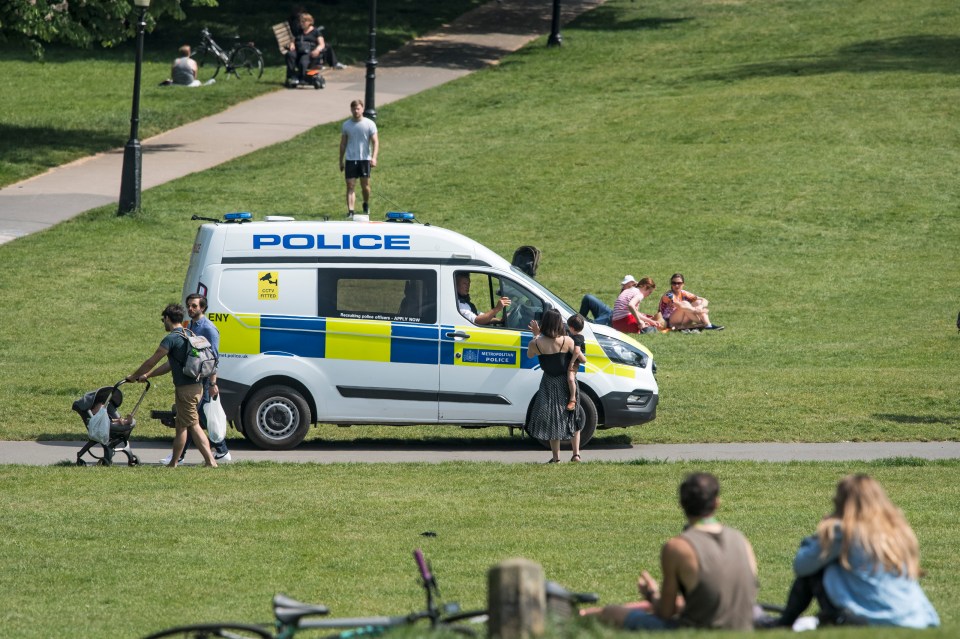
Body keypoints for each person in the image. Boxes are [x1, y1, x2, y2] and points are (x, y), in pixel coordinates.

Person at [769, 474, 939, 629]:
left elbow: (802, 565)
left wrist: (819, 537)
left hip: (870, 619)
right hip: (914, 618)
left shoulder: (843, 532)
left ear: (842, 503)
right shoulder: (898, 532)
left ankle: (784, 623)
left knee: (817, 568)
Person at [597, 472, 758, 631]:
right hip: (742, 626)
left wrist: (651, 594)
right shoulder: (742, 540)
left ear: (682, 503)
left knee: (611, 612)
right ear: (717, 502)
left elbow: (665, 612)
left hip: (698, 630)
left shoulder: (678, 547)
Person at [126, 304, 218, 468]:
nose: (163, 323)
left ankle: (211, 462)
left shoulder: (171, 339)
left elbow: (152, 361)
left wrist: (133, 376)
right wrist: (149, 375)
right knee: (182, 425)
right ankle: (173, 463)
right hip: (196, 387)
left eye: (163, 320)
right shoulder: (188, 334)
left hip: (186, 390)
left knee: (193, 425)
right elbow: (170, 365)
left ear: (168, 318)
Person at [160, 294, 231, 464]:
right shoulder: (190, 325)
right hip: (195, 377)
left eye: (194, 306)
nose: (190, 309)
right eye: (189, 306)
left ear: (202, 308)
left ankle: (215, 452)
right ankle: (215, 452)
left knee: (191, 418)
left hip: (204, 379)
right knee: (193, 418)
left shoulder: (208, 329)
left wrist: (213, 383)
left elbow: (213, 358)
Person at [526, 309, 585, 463]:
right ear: (560, 323)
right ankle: (576, 454)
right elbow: (581, 357)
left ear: (543, 323)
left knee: (553, 418)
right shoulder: (568, 341)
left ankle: (556, 458)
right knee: (573, 415)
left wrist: (536, 335)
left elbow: (530, 355)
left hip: (548, 382)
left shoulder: (535, 343)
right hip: (566, 380)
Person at [339, 99, 379, 218]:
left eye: (358, 108)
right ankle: (351, 211)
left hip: (364, 159)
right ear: (351, 110)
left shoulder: (369, 124)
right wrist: (340, 160)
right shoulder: (346, 125)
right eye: (354, 109)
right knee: (350, 185)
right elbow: (343, 144)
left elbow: (375, 142)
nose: (356, 111)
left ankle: (365, 203)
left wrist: (374, 157)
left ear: (362, 109)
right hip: (351, 159)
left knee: (365, 186)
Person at [286, 12, 345, 85]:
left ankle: (302, 78)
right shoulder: (299, 31)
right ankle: (291, 77)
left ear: (309, 22)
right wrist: (291, 44)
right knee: (290, 54)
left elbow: (322, 44)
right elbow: (293, 40)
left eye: (303, 21)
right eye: (300, 21)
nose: (301, 23)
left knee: (303, 60)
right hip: (298, 50)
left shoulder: (316, 32)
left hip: (308, 52)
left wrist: (317, 50)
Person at [659, 273, 723, 332]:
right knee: (685, 304)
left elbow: (704, 300)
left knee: (698, 302)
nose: (676, 285)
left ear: (683, 284)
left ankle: (708, 325)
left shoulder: (683, 293)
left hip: (683, 320)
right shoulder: (669, 295)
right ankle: (706, 324)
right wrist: (698, 311)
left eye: (679, 283)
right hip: (669, 322)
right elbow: (680, 306)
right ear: (671, 284)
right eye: (674, 283)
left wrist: (700, 307)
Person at [565, 314, 587, 412]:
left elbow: (577, 351)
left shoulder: (578, 338)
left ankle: (572, 399)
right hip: (571, 359)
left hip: (575, 361)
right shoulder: (573, 334)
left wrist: (571, 363)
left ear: (572, 328)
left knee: (570, 378)